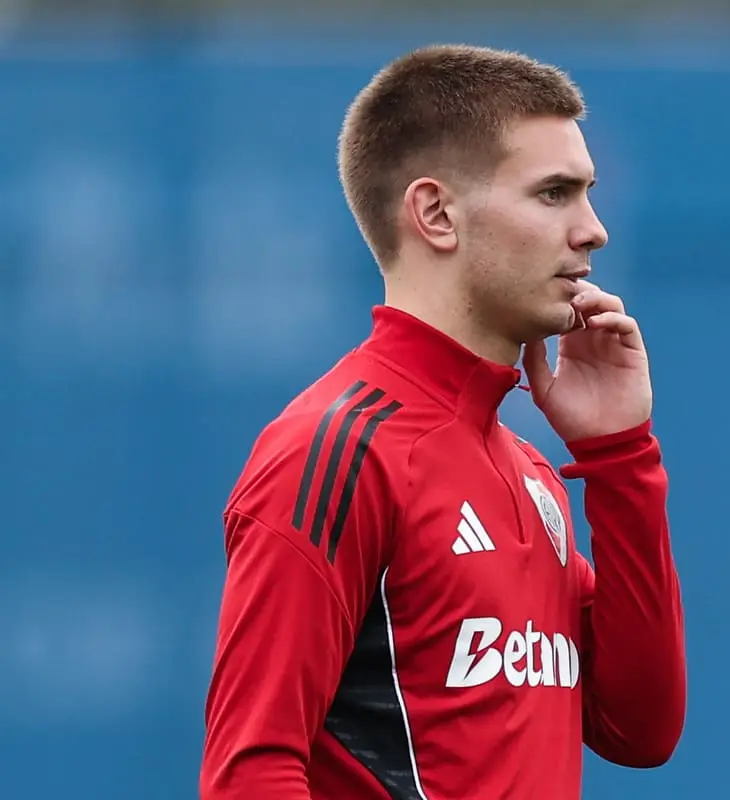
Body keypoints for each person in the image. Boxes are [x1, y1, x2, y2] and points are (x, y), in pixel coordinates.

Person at [199, 44, 687, 800]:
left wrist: (621, 457)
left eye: (588, 193)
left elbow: (640, 728)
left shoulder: (526, 473)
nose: (594, 230)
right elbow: (251, 772)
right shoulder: (337, 451)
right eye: (555, 193)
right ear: (434, 213)